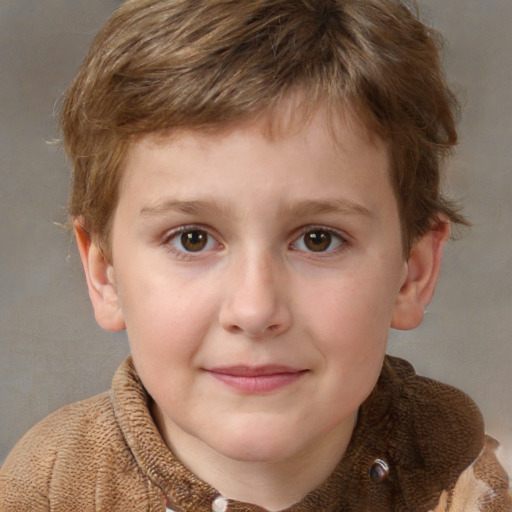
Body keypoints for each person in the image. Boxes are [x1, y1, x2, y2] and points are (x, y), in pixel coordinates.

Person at [1, 0, 510, 510]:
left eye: (318, 239)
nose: (254, 310)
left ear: (411, 275)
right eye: (192, 239)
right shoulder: (44, 491)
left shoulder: (472, 486)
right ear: (105, 275)